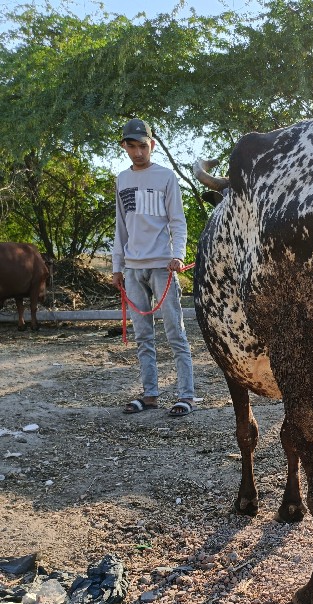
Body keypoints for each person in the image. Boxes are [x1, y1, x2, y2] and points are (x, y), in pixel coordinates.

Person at [112, 118, 196, 417]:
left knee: (175, 333)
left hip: (163, 266)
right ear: (124, 147)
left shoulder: (166, 177)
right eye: (131, 146)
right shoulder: (122, 179)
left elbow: (177, 221)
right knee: (143, 336)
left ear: (153, 145)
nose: (137, 152)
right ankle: (149, 395)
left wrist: (177, 254)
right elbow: (120, 226)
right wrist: (117, 266)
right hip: (133, 269)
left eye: (142, 146)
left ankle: (186, 396)